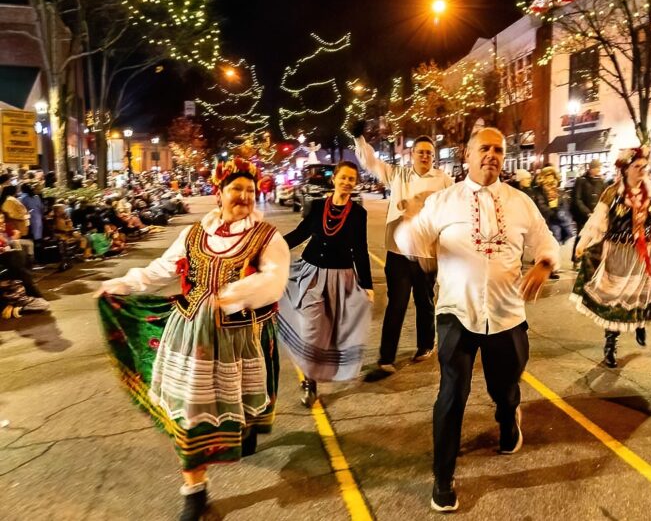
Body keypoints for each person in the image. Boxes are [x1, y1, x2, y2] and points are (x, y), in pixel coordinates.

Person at [95, 157, 289, 521]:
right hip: (190, 338)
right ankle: (195, 491)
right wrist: (120, 284)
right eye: (236, 189)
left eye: (249, 190)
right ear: (219, 193)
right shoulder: (194, 234)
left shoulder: (267, 237)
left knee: (239, 407)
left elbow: (274, 280)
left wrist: (232, 296)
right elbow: (161, 269)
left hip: (239, 339)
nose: (244, 196)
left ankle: (243, 432)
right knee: (190, 415)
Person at [394, 127, 559, 512]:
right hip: (457, 312)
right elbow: (411, 237)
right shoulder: (443, 201)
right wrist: (412, 233)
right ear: (466, 156)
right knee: (452, 394)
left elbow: (545, 241)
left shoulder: (520, 202)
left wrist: (544, 264)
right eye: (484, 148)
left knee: (506, 387)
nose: (491, 155)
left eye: (498, 150)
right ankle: (443, 477)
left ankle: (508, 419)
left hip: (507, 314)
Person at [572, 147, 651, 368]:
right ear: (626, 169)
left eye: (644, 166)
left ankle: (639, 323)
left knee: (640, 295)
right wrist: (583, 243)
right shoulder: (612, 192)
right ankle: (610, 344)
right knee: (614, 298)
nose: (642, 170)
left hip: (644, 254)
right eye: (637, 166)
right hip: (617, 253)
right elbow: (598, 221)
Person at [354, 134, 452, 379]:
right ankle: (386, 357)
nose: (425, 156)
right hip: (398, 252)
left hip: (426, 253)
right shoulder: (398, 175)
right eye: (421, 152)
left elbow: (456, 207)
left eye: (429, 153)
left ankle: (425, 345)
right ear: (412, 154)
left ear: (433, 156)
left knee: (425, 301)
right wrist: (359, 140)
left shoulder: (443, 180)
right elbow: (371, 163)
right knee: (396, 304)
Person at [278, 161, 373, 407]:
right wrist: (271, 246)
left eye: (352, 179)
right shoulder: (318, 206)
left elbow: (360, 249)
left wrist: (367, 284)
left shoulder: (358, 213)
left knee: (331, 332)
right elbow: (300, 233)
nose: (347, 182)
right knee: (313, 329)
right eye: (343, 177)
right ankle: (309, 381)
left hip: (341, 278)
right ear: (334, 179)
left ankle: (319, 371)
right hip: (311, 275)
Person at [571, 160, 606, 268]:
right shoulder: (581, 181)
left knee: (594, 238)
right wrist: (587, 212)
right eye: (596, 168)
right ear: (590, 169)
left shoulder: (601, 182)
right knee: (581, 236)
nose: (598, 170)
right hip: (583, 216)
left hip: (596, 215)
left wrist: (600, 212)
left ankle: (589, 261)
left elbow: (604, 198)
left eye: (599, 168)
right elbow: (577, 199)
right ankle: (576, 259)